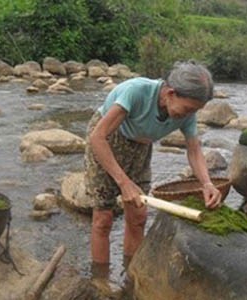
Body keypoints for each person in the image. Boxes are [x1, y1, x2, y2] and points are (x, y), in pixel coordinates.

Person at [84, 60, 222, 282]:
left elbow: (194, 151)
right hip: (107, 140)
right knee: (103, 218)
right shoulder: (136, 91)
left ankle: (131, 279)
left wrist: (207, 183)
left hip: (140, 146)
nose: (189, 115)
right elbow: (97, 138)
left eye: (195, 111)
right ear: (170, 93)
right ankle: (100, 282)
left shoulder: (187, 113)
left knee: (138, 216)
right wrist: (123, 182)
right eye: (187, 109)